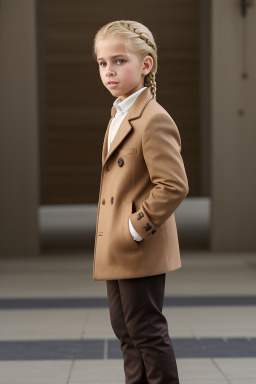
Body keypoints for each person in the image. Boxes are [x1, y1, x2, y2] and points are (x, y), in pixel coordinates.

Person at [92, 20, 189, 384]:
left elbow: (173, 184)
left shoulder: (153, 118)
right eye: (102, 63)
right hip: (118, 244)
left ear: (146, 64)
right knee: (126, 332)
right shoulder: (119, 113)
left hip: (137, 244)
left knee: (146, 332)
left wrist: (136, 228)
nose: (109, 71)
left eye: (119, 61)